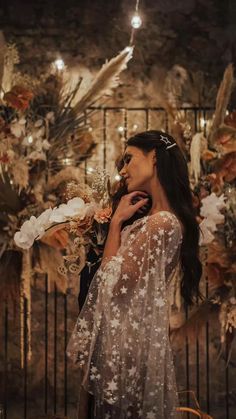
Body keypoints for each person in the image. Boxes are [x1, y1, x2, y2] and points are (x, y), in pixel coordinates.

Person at [67, 130, 202, 418]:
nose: (123, 170)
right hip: (122, 344)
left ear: (155, 157)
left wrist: (115, 224)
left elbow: (112, 284)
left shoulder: (163, 223)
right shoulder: (150, 221)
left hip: (128, 351)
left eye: (129, 159)